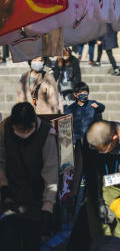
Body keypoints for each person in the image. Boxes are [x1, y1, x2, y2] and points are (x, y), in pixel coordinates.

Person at [0, 102, 59, 251]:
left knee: (31, 241)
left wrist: (48, 206)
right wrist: (3, 184)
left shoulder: (46, 134)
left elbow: (50, 172)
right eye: (19, 129)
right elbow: (1, 160)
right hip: (10, 194)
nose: (23, 132)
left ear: (33, 123)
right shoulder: (4, 128)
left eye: (27, 128)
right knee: (8, 239)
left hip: (35, 196)